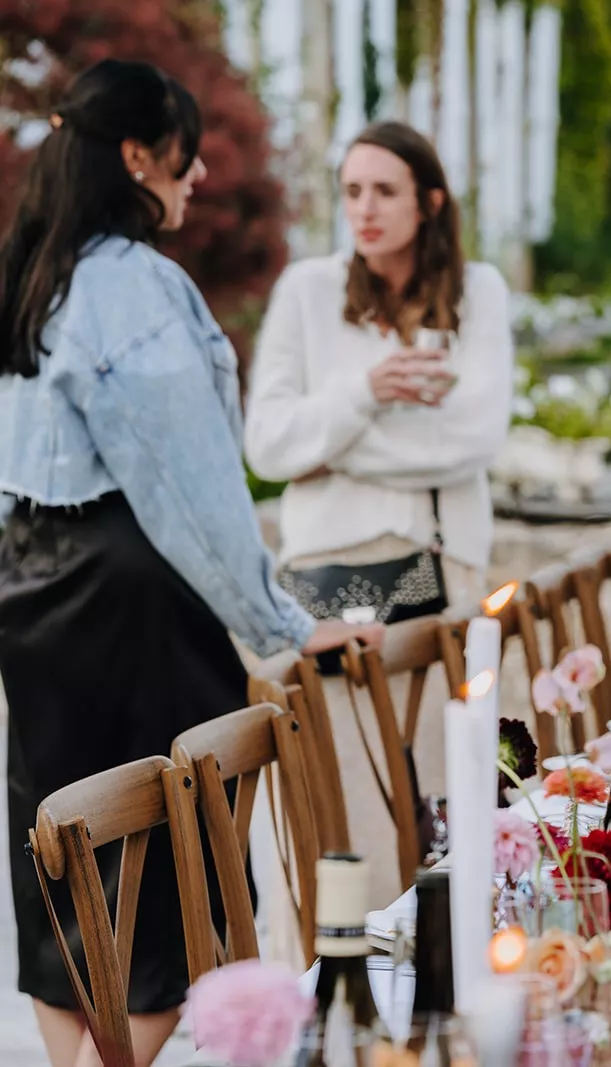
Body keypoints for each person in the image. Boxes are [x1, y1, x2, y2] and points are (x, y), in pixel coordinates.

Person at [0, 60, 382, 1067]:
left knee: (64, 885)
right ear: (135, 156)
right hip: (131, 602)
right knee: (187, 896)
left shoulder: (30, 270)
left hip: (31, 590)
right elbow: (193, 494)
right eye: (182, 153)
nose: (200, 174)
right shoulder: (134, 285)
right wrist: (285, 625)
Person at [243, 121, 512, 906]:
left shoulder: (478, 290)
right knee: (336, 811)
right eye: (352, 190)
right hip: (325, 583)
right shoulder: (308, 290)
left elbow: (471, 439)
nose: (364, 208)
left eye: (385, 190)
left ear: (429, 201)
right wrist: (370, 392)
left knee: (435, 804)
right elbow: (267, 445)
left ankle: (431, 993)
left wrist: (331, 444)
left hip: (441, 571)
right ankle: (335, 995)